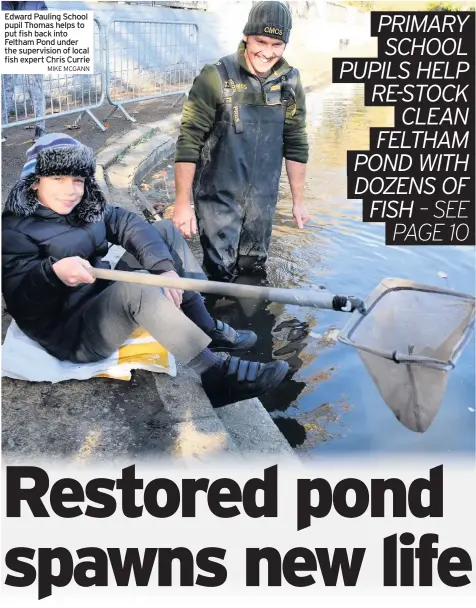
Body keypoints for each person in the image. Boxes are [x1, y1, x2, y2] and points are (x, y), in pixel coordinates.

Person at [2, 134, 289, 408]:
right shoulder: (15, 229)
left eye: (77, 180)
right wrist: (52, 275)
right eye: (57, 178)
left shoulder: (85, 206)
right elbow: (20, 298)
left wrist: (165, 270)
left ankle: (205, 327)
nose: (70, 190)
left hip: (97, 295)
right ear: (33, 182)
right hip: (70, 333)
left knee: (164, 231)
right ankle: (215, 374)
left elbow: (128, 224)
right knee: (137, 286)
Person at [173, 0, 311, 282]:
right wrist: (182, 202)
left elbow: (296, 141)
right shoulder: (216, 76)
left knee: (254, 269)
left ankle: (250, 325)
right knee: (220, 272)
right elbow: (189, 140)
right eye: (261, 41)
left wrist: (299, 201)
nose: (267, 52)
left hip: (263, 198)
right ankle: (214, 323)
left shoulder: (290, 81)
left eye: (277, 44)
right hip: (218, 197)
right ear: (247, 35)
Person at [1, 1, 48, 141]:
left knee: (36, 91)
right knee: (5, 91)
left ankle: (41, 130)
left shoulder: (37, 3)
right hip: (9, 51)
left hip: (33, 51)